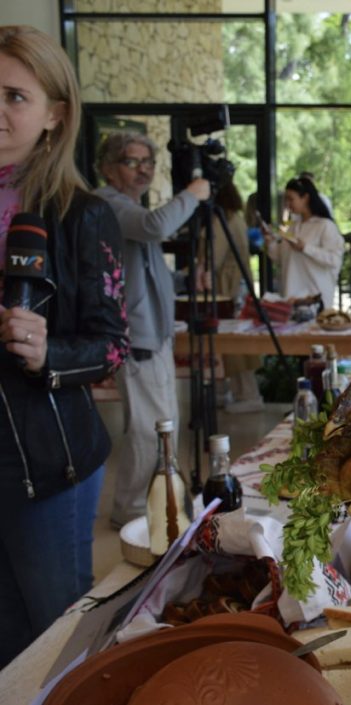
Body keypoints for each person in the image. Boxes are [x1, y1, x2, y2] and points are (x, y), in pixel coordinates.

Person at [0, 25, 128, 668]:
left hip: (49, 465)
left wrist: (49, 353)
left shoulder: (81, 213)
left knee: (51, 646)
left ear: (55, 113)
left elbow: (112, 346)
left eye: (14, 96)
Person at [95, 131, 211, 528]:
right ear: (108, 167)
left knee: (164, 426)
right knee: (148, 430)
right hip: (138, 336)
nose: (144, 170)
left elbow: (145, 272)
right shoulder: (109, 204)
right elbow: (155, 227)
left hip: (156, 334)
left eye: (149, 162)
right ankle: (130, 512)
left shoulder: (129, 207)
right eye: (133, 161)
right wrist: (193, 194)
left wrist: (183, 282)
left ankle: (153, 503)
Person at [201, 179, 263, 413]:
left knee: (232, 344)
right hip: (239, 287)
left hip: (226, 290)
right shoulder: (236, 218)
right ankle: (236, 391)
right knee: (238, 342)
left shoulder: (221, 221)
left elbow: (213, 259)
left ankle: (245, 394)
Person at [265, 176, 345, 309]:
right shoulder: (293, 226)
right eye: (286, 199)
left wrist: (305, 248)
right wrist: (270, 243)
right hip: (291, 298)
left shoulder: (325, 226)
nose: (287, 204)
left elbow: (334, 260)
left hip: (314, 299)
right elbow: (282, 258)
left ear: (305, 198)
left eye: (291, 199)